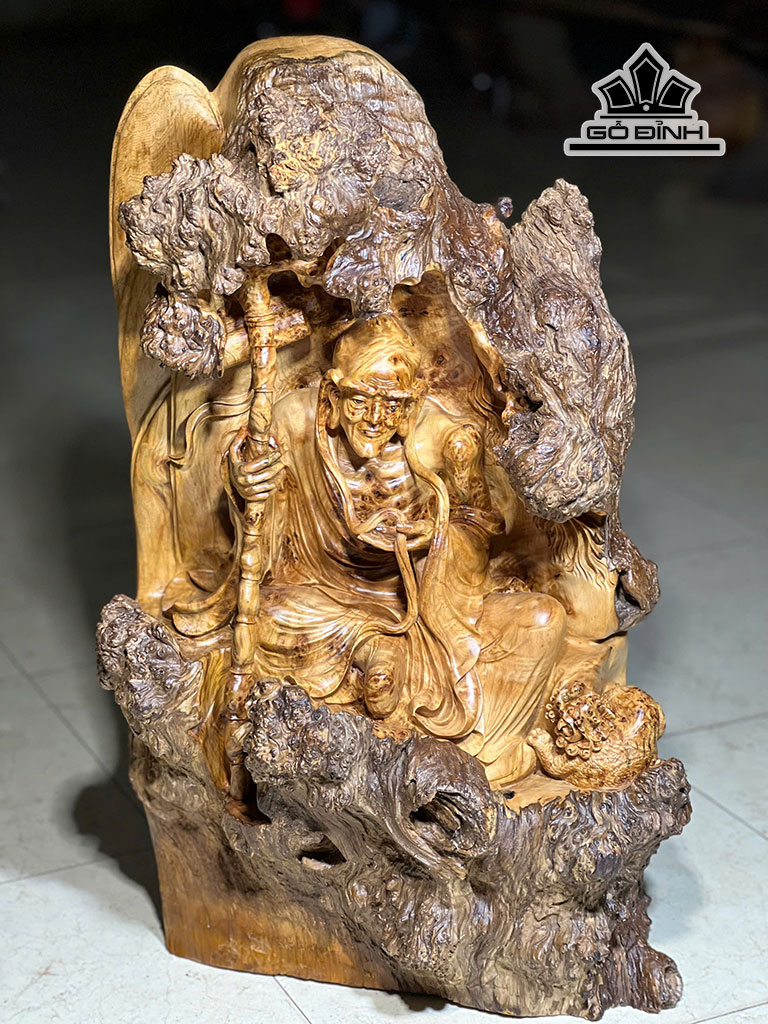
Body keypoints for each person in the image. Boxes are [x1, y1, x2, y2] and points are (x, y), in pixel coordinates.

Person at [227, 314, 567, 787]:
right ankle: (378, 665)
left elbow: (478, 527)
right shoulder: (294, 421)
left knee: (542, 621)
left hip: (424, 601)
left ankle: (483, 757)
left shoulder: (447, 442)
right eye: (361, 399)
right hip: (321, 599)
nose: (375, 418)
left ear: (412, 404)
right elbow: (261, 530)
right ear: (332, 393)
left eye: (392, 404)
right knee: (268, 614)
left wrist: (435, 535)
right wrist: (246, 484)